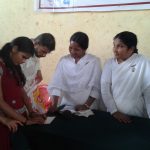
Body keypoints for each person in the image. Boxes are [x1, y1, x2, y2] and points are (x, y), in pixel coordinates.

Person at [0, 36, 45, 150]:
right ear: (14, 49)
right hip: (7, 121)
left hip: (20, 118)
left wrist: (31, 112)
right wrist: (25, 121)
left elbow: (21, 91)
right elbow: (0, 102)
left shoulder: (13, 65)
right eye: (23, 57)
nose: (23, 61)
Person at [101, 31, 150, 124]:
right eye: (114, 45)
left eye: (120, 46)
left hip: (135, 116)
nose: (115, 50)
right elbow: (105, 89)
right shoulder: (109, 63)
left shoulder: (143, 62)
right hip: (112, 114)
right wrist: (114, 111)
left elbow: (148, 92)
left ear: (131, 49)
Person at [48, 31, 103, 112]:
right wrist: (54, 105)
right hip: (66, 106)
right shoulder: (64, 61)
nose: (72, 52)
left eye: (77, 49)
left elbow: (96, 87)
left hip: (87, 107)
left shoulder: (94, 61)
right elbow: (56, 85)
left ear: (85, 49)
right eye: (70, 48)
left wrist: (86, 105)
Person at [21, 33, 55, 112]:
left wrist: (38, 71)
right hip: (19, 90)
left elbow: (36, 59)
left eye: (46, 53)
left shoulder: (35, 49)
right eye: (43, 51)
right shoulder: (24, 51)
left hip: (27, 91)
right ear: (36, 43)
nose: (44, 55)